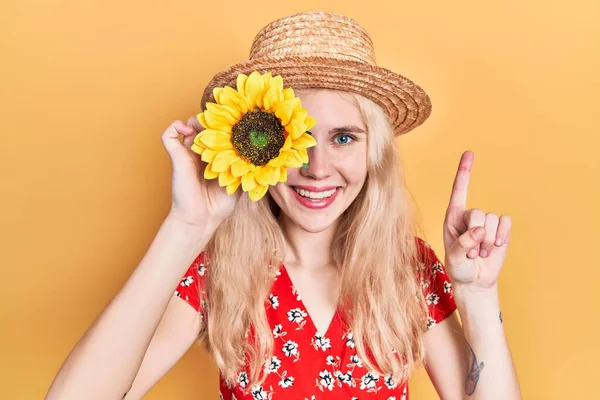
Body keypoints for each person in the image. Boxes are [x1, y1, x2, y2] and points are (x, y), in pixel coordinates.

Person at [46, 11, 521, 400]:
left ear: (373, 151)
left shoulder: (408, 268)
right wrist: (187, 225)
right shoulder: (218, 268)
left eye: (343, 138)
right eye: (296, 139)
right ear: (256, 148)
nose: (316, 168)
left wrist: (477, 297)